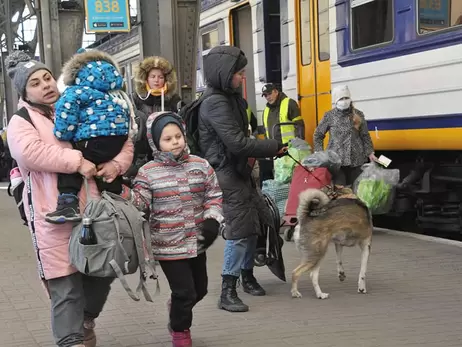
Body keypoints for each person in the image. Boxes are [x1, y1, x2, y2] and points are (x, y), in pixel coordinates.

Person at [5, 50, 134, 347]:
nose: (46, 85)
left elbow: (123, 137)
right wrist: (76, 161)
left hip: (97, 210)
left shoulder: (81, 100)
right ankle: (71, 338)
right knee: (65, 285)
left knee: (104, 272)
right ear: (25, 92)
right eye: (35, 83)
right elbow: (30, 152)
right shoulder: (21, 120)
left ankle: (86, 318)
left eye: (48, 78)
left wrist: (116, 165)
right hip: (54, 213)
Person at [120, 111, 223, 347]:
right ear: (156, 142)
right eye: (168, 139)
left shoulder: (201, 165)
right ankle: (180, 332)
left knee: (200, 290)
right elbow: (139, 204)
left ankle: (177, 307)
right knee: (185, 292)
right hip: (167, 244)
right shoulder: (148, 172)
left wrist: (212, 221)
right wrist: (122, 188)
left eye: (178, 136)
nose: (175, 141)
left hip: (198, 241)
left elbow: (214, 196)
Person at [198, 45, 286, 313]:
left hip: (238, 171)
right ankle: (227, 290)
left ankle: (247, 276)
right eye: (239, 73)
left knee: (255, 224)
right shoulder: (215, 103)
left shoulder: (230, 99)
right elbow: (237, 143)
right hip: (225, 173)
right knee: (238, 231)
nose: (242, 78)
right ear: (225, 74)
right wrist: (273, 147)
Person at [45, 48, 137, 224]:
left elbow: (67, 113)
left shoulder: (76, 91)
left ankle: (68, 204)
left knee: (72, 165)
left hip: (92, 139)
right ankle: (121, 203)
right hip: (117, 141)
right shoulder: (116, 94)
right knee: (105, 173)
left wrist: (62, 133)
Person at [126, 56, 184, 180]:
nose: (156, 80)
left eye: (160, 77)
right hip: (142, 158)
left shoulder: (174, 101)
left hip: (169, 156)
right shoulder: (135, 100)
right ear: (145, 79)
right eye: (153, 77)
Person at [313, 85, 376, 186]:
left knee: (356, 190)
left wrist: (370, 153)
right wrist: (319, 153)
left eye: (346, 98)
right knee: (340, 190)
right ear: (335, 101)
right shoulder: (329, 116)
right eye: (341, 98)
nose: (344, 101)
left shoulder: (358, 114)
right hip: (336, 162)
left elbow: (365, 136)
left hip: (357, 160)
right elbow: (318, 134)